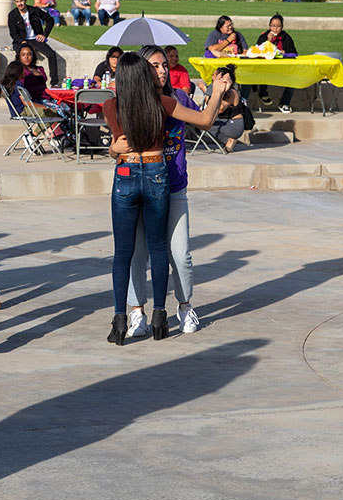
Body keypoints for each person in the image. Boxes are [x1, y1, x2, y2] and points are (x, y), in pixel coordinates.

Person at [101, 52, 229, 345]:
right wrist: (218, 91)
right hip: (158, 173)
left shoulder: (109, 106)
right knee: (160, 249)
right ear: (145, 74)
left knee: (124, 253)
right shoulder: (162, 103)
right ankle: (160, 317)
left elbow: (118, 142)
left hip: (126, 172)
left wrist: (113, 149)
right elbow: (206, 119)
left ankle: (122, 319)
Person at [123, 45, 206, 338]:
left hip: (174, 189)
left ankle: (184, 307)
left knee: (180, 255)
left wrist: (222, 92)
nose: (161, 70)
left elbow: (206, 119)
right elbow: (117, 144)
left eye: (163, 65)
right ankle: (137, 312)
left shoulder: (178, 99)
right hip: (141, 189)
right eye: (154, 65)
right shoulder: (131, 103)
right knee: (137, 254)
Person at [0, 41, 75, 140]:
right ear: (19, 56)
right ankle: (66, 137)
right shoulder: (19, 72)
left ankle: (69, 137)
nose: (26, 57)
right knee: (58, 111)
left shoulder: (39, 69)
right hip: (36, 101)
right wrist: (43, 105)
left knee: (69, 109)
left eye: (29, 54)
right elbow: (25, 100)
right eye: (23, 55)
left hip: (47, 98)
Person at [6, 0, 62, 86]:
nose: (20, 4)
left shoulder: (34, 10)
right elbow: (13, 33)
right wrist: (22, 41)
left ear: (25, 0)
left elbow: (50, 20)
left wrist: (44, 35)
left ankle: (54, 83)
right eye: (17, 2)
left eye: (21, 1)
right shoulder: (12, 15)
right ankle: (14, 82)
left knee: (51, 54)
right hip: (20, 41)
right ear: (15, 2)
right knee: (21, 57)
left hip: (35, 39)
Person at [255, 13, 299, 112]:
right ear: (269, 26)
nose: (275, 29)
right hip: (266, 67)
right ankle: (263, 93)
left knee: (293, 77)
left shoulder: (286, 38)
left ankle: (284, 102)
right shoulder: (263, 37)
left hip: (283, 68)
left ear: (282, 27)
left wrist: (284, 53)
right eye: (273, 26)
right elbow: (257, 51)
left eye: (278, 26)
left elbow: (294, 53)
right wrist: (268, 41)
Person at [211, 65, 252, 152]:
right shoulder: (216, 89)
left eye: (215, 76)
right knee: (198, 125)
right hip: (224, 121)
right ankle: (227, 140)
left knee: (204, 124)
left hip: (234, 125)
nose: (212, 77)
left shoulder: (231, 92)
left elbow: (220, 108)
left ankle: (229, 140)